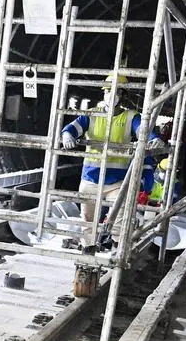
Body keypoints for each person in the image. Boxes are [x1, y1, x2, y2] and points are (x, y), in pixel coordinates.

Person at [60, 70, 157, 243]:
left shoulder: (131, 117)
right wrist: (67, 135)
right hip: (91, 178)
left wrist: (154, 139)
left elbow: (144, 132)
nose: (111, 94)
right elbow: (72, 128)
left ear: (123, 95)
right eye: (107, 90)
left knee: (119, 218)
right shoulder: (91, 114)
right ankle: (87, 250)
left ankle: (116, 249)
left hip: (117, 182)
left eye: (117, 91)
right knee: (88, 219)